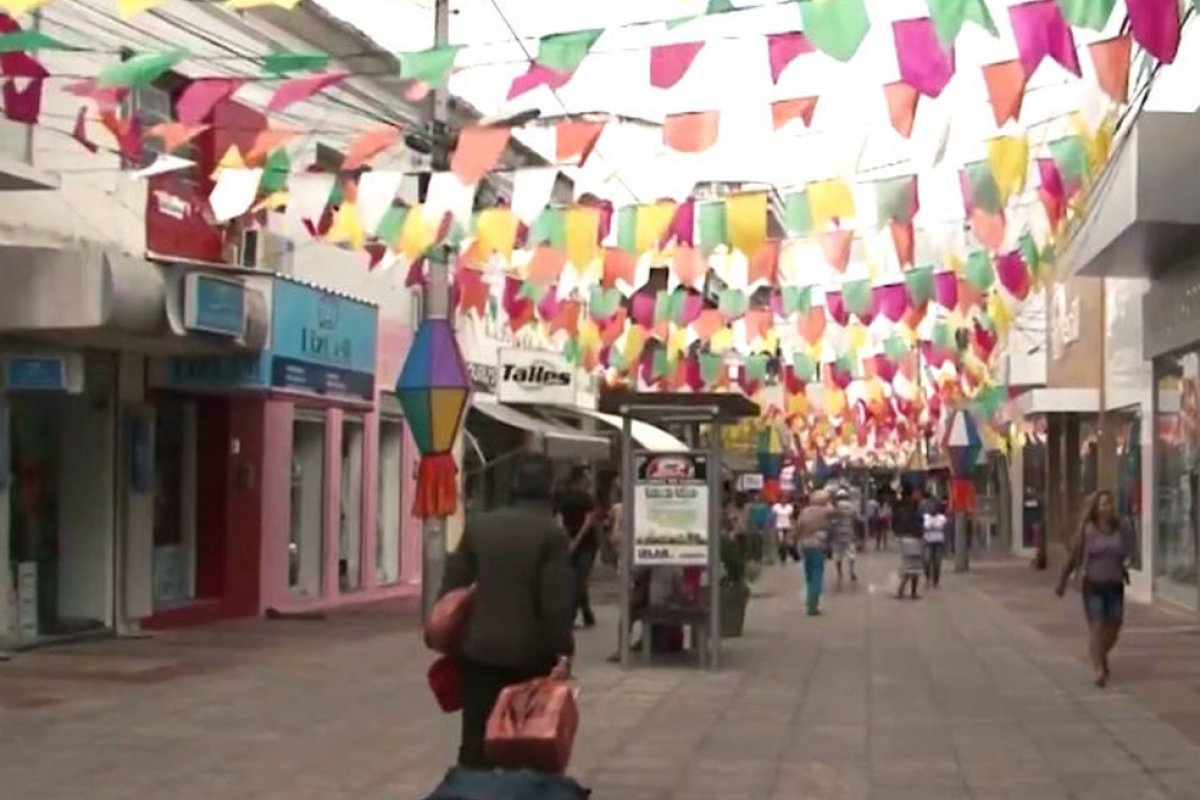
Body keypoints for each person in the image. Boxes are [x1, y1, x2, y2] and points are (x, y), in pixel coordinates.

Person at [439, 453, 576, 769]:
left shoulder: (478, 526)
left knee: (475, 739)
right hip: (529, 655)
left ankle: (471, 789)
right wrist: (563, 651)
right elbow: (556, 602)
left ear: (514, 484)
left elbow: (451, 589)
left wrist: (452, 635)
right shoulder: (551, 534)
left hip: (477, 651)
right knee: (523, 739)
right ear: (550, 488)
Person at [1056, 490, 1131, 688]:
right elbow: (1074, 555)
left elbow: (1123, 553)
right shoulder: (1088, 530)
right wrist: (1063, 581)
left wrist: (1125, 568)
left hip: (1115, 585)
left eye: (1110, 503)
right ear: (1096, 509)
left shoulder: (1119, 528)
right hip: (1093, 585)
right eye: (1103, 504)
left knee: (1113, 629)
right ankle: (1099, 669)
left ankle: (1099, 654)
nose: (1107, 507)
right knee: (1097, 627)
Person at [554, 466, 597, 629]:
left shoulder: (562, 496)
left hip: (575, 544)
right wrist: (576, 539)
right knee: (579, 580)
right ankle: (583, 614)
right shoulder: (587, 498)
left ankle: (580, 615)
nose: (590, 479)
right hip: (586, 544)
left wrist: (568, 539)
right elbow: (588, 521)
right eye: (587, 476)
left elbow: (559, 519)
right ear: (580, 479)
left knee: (576, 580)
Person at [795, 490, 834, 615]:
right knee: (817, 574)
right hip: (818, 544)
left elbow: (798, 527)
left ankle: (809, 602)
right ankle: (813, 604)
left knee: (809, 573)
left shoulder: (805, 511)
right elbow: (833, 510)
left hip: (805, 544)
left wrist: (797, 540)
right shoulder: (825, 511)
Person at [892, 483, 924, 599]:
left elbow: (894, 523)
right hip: (915, 539)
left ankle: (901, 590)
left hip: (905, 539)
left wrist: (897, 534)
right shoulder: (915, 508)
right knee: (915, 567)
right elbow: (920, 524)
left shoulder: (899, 507)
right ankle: (912, 592)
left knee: (908, 565)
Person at [830, 487, 858, 584]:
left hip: (837, 534)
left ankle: (840, 573)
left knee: (838, 555)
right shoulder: (852, 506)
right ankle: (851, 571)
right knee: (851, 554)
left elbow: (831, 521)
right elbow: (856, 519)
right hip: (849, 533)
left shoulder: (835, 507)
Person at [923, 500, 948, 589]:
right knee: (927, 561)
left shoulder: (942, 517)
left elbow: (940, 526)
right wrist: (933, 524)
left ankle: (936, 581)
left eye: (934, 507)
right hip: (928, 541)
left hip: (938, 542)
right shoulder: (925, 516)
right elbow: (926, 526)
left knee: (937, 562)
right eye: (931, 508)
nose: (933, 509)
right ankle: (927, 579)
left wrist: (933, 524)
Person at [771, 496, 796, 562]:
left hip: (787, 526)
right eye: (782, 499)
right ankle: (781, 554)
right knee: (781, 541)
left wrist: (793, 525)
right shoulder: (776, 507)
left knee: (787, 541)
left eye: (785, 499)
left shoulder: (789, 507)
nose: (784, 500)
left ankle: (785, 555)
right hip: (779, 526)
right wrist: (773, 525)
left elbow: (791, 517)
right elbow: (773, 516)